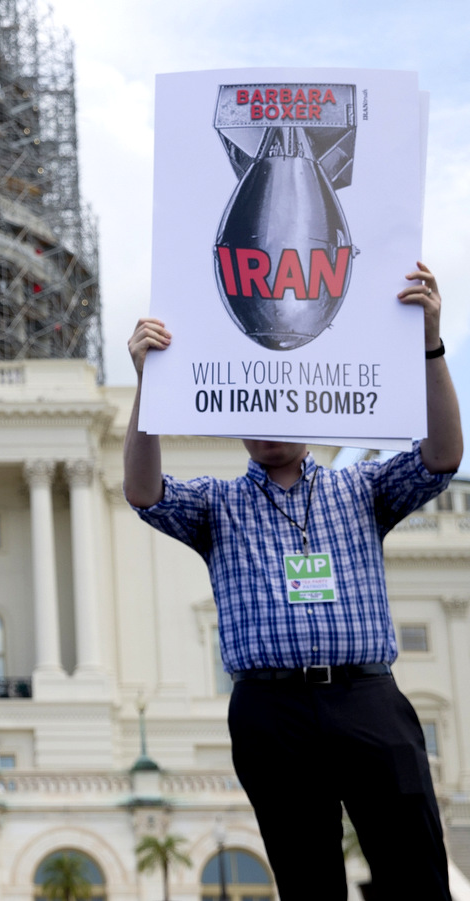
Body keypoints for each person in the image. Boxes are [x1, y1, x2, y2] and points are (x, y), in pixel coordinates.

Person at [124, 263, 462, 899]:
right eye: (252, 406)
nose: (266, 423)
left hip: (366, 698)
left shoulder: (360, 488)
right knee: (307, 879)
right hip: (269, 708)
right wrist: (151, 386)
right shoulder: (216, 505)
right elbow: (144, 494)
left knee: (415, 868)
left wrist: (430, 344)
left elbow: (442, 457)